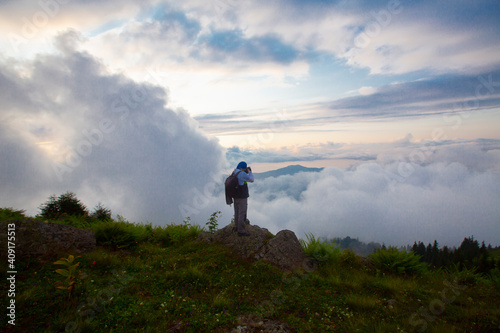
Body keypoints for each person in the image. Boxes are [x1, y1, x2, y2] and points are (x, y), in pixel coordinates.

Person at [233, 161, 254, 236]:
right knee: (242, 213)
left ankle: (236, 226)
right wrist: (250, 172)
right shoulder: (242, 174)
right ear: (242, 168)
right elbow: (251, 179)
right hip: (242, 197)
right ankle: (241, 231)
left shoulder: (234, 172)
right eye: (244, 168)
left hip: (235, 196)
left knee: (237, 212)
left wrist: (245, 172)